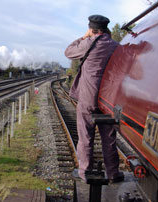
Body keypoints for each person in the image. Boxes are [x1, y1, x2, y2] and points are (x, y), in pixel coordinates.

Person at [65, 14, 124, 182]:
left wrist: (84, 36)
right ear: (106, 29)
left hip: (88, 97)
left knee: (85, 136)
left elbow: (68, 51)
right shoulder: (115, 46)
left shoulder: (88, 43)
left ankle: (85, 171)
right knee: (109, 137)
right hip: (108, 99)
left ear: (92, 29)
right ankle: (113, 173)